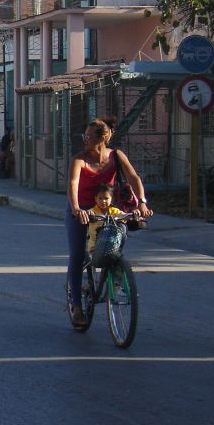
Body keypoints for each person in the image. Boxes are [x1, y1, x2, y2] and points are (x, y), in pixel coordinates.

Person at [66, 118, 153, 327]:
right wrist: (77, 209)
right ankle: (77, 305)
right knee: (78, 255)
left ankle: (114, 272)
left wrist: (142, 203)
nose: (85, 140)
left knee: (115, 243)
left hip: (109, 210)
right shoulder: (79, 160)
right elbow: (73, 184)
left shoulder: (116, 156)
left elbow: (134, 178)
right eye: (84, 136)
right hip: (83, 211)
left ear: (102, 139)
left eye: (89, 137)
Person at [84, 183, 125, 256]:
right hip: (95, 246)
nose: (103, 201)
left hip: (111, 244)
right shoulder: (92, 211)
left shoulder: (114, 211)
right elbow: (87, 214)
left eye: (106, 198)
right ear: (95, 199)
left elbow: (124, 215)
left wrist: (134, 214)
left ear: (111, 199)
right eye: (100, 198)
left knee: (123, 229)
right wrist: (88, 214)